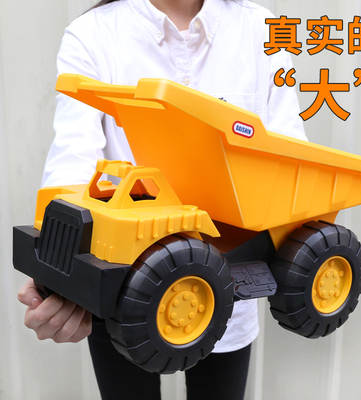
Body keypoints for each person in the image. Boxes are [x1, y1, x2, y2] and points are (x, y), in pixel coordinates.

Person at [17, 0, 307, 399]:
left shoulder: (263, 29)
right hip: (123, 292)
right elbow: (73, 160)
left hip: (227, 292)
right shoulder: (93, 33)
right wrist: (60, 266)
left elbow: (290, 154)